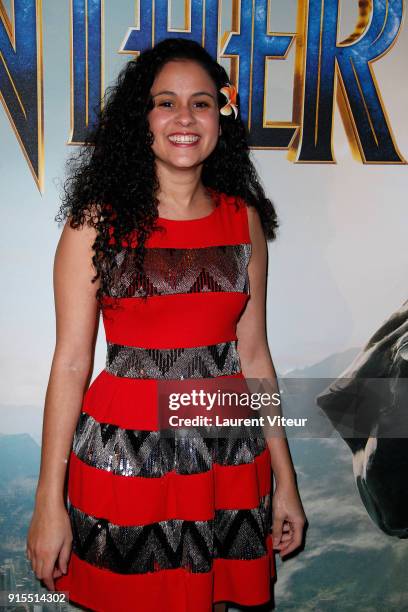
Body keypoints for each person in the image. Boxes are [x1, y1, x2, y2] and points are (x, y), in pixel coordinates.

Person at [26, 37, 306, 612]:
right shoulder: (94, 224)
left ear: (220, 118)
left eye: (202, 102)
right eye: (166, 102)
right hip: (126, 464)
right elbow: (72, 364)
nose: (185, 117)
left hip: (229, 462)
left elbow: (254, 359)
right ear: (143, 118)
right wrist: (47, 503)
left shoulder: (242, 218)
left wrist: (286, 481)